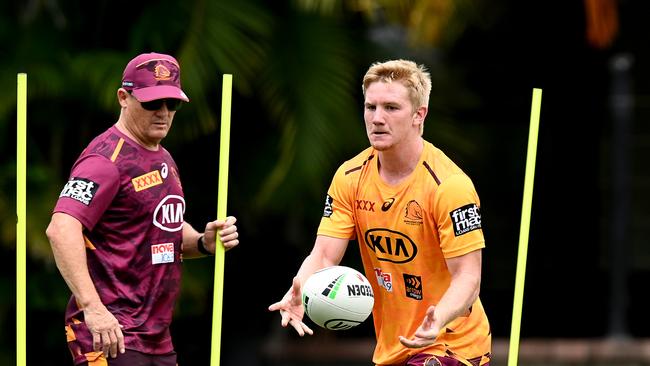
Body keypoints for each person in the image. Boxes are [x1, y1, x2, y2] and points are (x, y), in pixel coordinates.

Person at [269, 59, 491, 366]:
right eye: (370, 107)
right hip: (393, 348)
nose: (377, 118)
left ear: (419, 115)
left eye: (391, 107)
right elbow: (323, 255)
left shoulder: (449, 186)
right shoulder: (350, 177)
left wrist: (437, 319)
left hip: (452, 346)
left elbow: (468, 277)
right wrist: (300, 289)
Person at [46, 52, 239, 366]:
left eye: (171, 104)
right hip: (110, 334)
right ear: (124, 97)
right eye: (152, 103)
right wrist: (93, 308)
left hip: (156, 338)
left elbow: (164, 232)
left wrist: (203, 241)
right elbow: (61, 229)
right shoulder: (105, 161)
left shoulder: (163, 158)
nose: (163, 113)